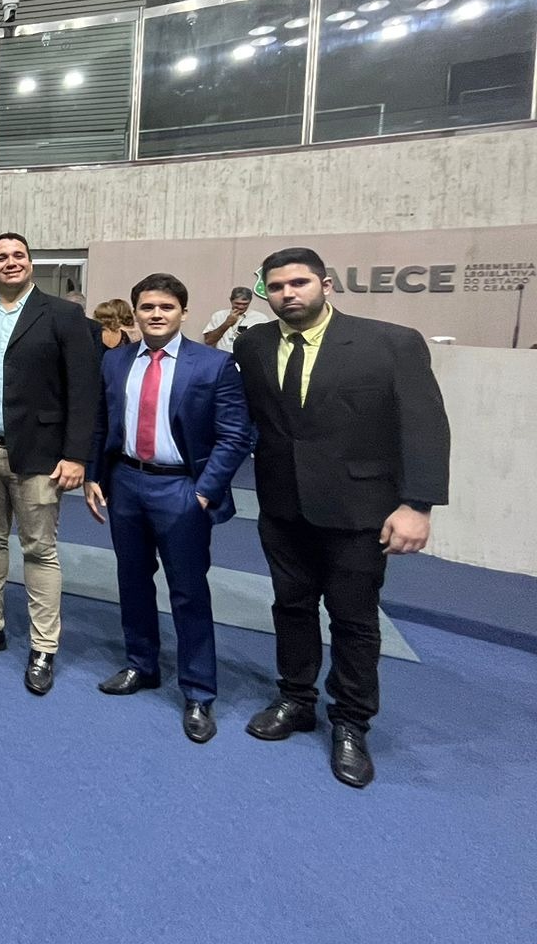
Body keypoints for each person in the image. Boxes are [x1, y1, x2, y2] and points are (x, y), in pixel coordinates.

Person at [234, 247, 449, 788]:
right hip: (282, 506)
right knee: (292, 608)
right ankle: (296, 699)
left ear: (325, 284)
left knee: (354, 621)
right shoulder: (253, 343)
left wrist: (417, 505)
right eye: (277, 286)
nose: (289, 293)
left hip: (359, 511)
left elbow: (424, 427)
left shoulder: (390, 343)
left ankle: (351, 723)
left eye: (300, 282)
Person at [84, 274, 254, 744]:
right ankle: (141, 664)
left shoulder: (214, 364)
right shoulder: (115, 360)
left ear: (183, 312)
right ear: (134, 312)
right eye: (146, 307)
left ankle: (198, 690)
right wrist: (95, 475)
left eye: (165, 306)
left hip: (182, 488)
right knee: (132, 581)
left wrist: (205, 492)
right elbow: (102, 421)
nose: (155, 314)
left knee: (188, 591)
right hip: (126, 483)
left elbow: (237, 435)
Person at [0, 232, 98, 694]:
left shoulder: (64, 315)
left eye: (18, 256)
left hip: (41, 452)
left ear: (31, 264)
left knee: (40, 549)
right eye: (1, 258)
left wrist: (77, 454)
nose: (10, 263)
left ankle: (43, 646)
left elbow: (83, 388)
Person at [202, 286, 271, 352]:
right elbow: (208, 341)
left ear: (250, 301)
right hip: (224, 359)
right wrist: (227, 323)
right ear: (231, 300)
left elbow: (266, 343)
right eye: (237, 303)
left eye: (245, 304)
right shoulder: (218, 316)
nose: (241, 307)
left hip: (247, 359)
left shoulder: (260, 318)